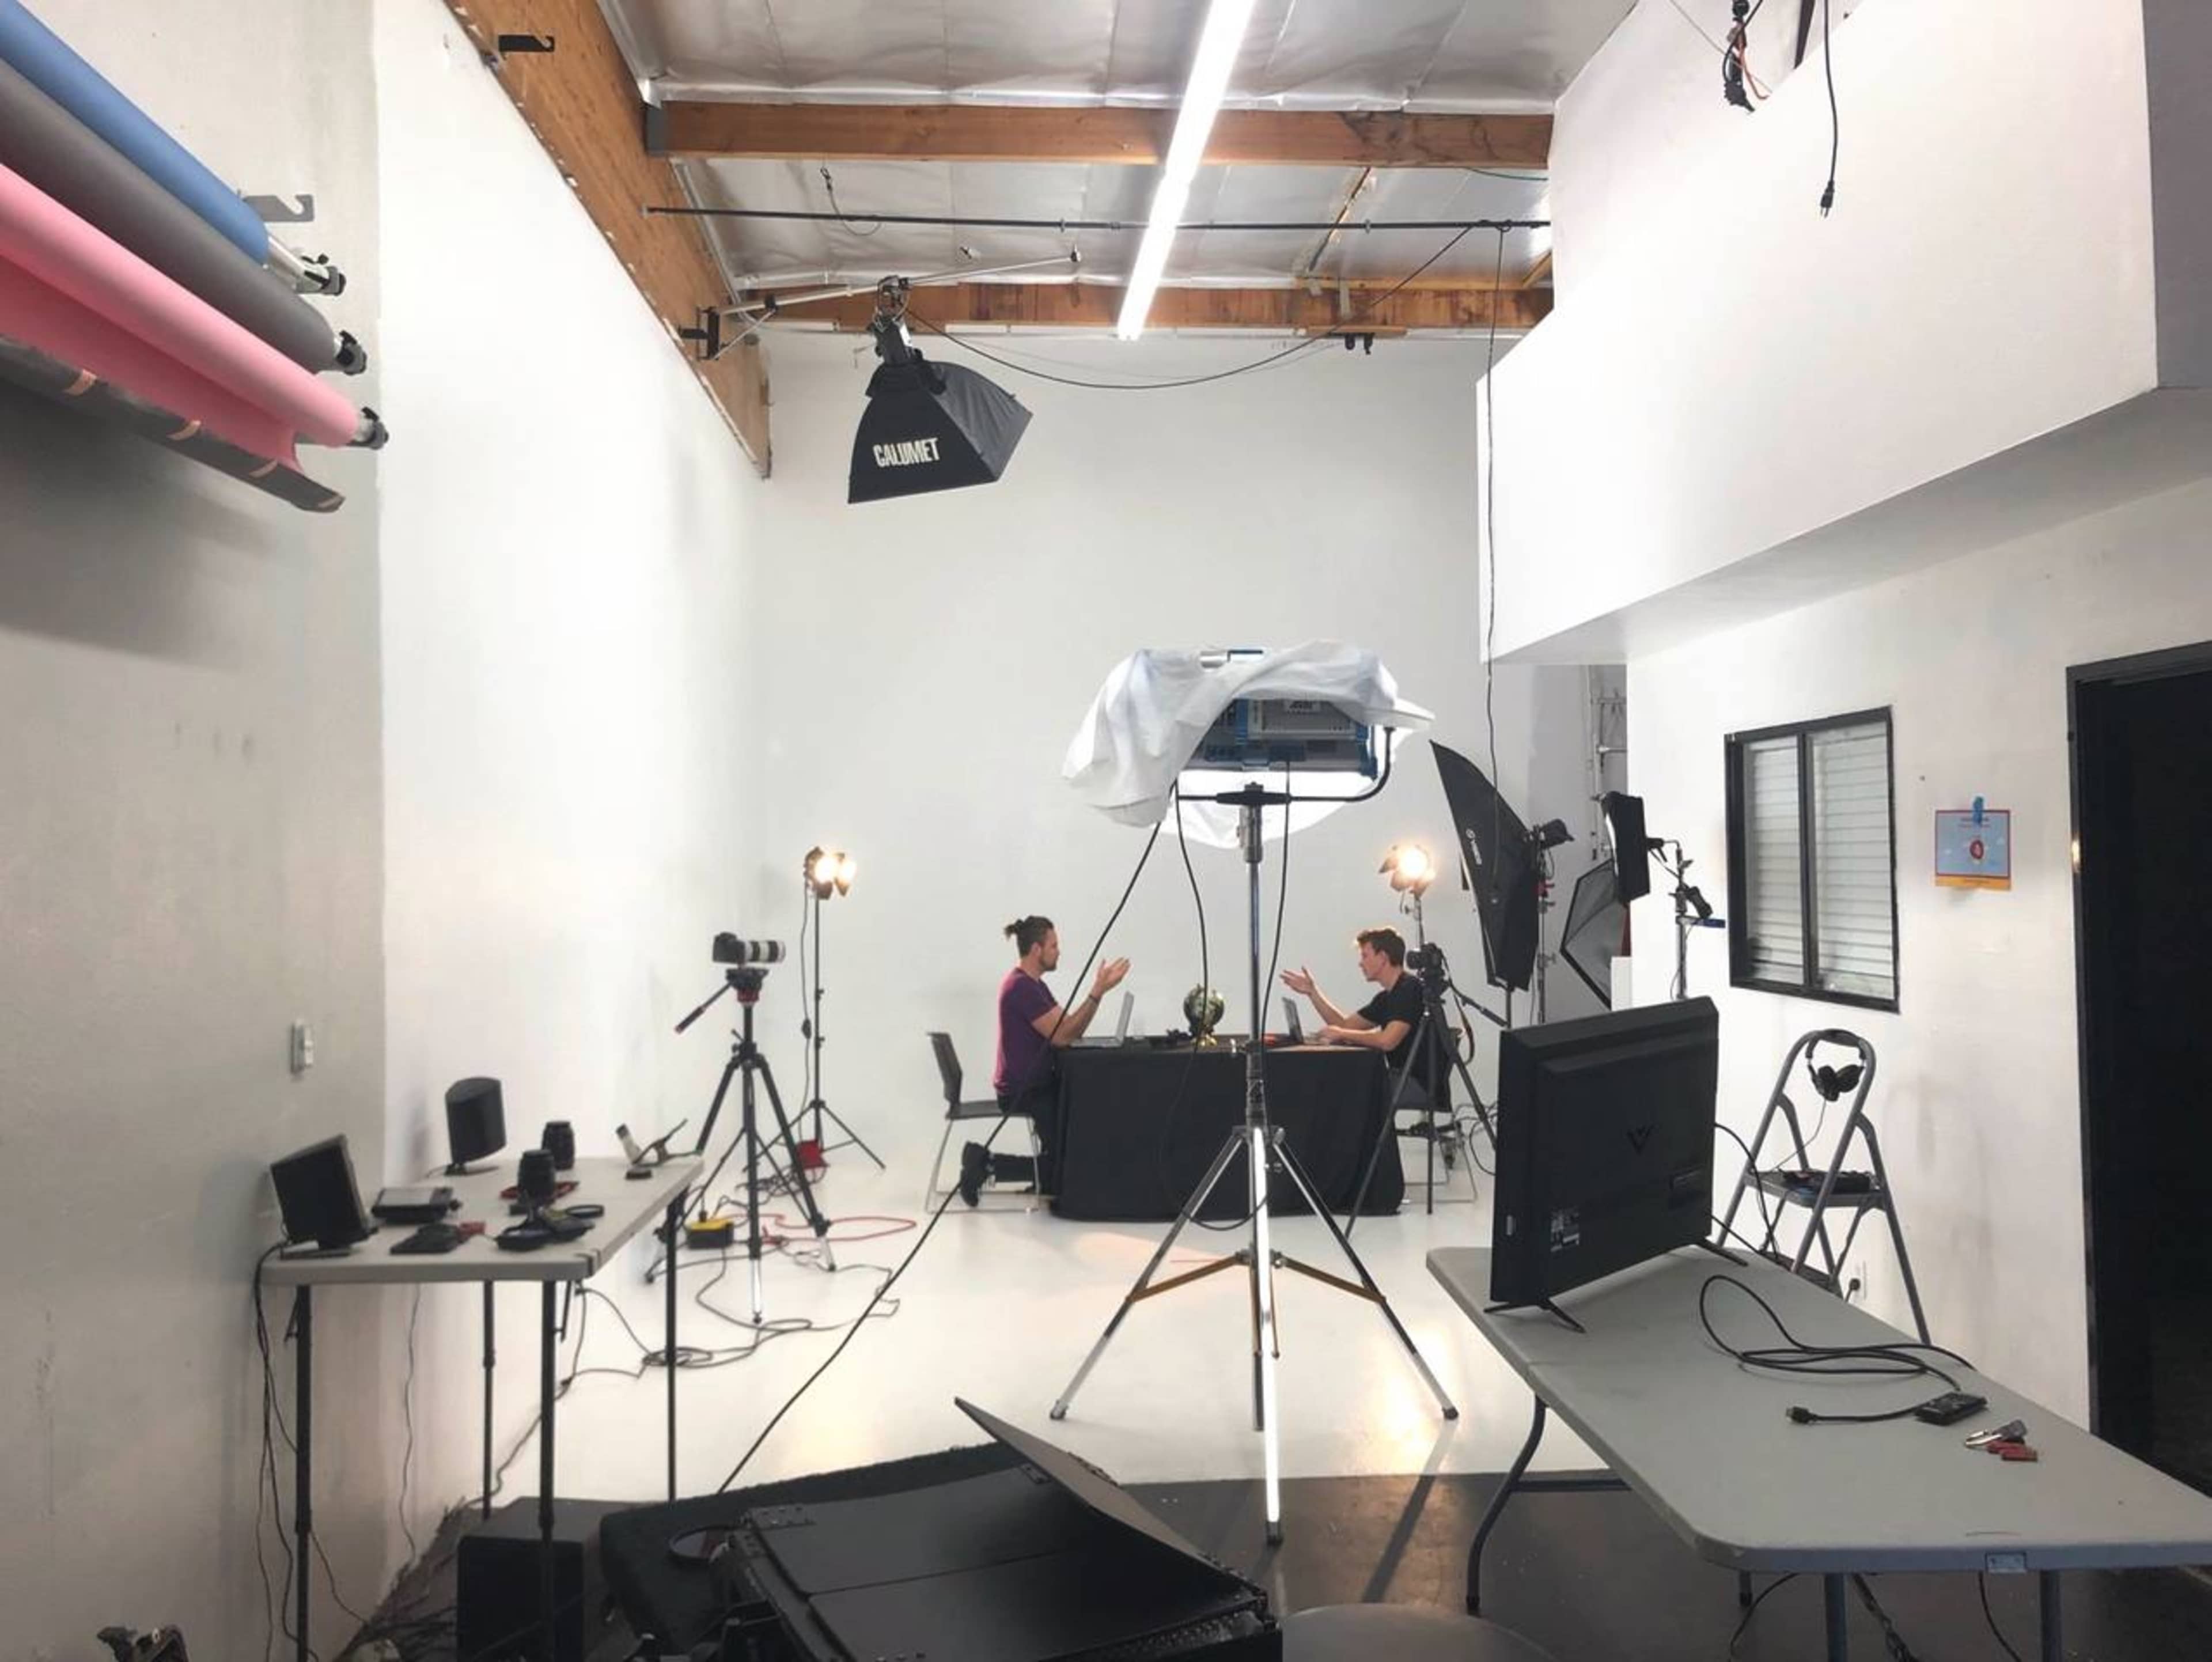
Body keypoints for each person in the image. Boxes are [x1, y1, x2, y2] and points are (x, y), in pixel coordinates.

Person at [960, 915, 1131, 1206]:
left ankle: (991, 1162)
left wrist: (1096, 995)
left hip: (1037, 1085)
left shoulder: (1034, 986)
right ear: (1037, 950)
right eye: (1054, 945)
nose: (1059, 951)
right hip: (1024, 1091)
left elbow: (1068, 1028)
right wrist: (1097, 992)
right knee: (1072, 1166)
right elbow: (1064, 1036)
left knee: (1072, 1157)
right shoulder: (1022, 989)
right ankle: (984, 1162)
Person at [1279, 926, 1435, 1096]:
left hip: (1417, 1082)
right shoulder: (1386, 998)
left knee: (1339, 1083)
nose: (1360, 963)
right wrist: (1312, 992)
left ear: (1383, 957)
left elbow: (1387, 1041)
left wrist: (1342, 1034)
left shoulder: (1409, 989)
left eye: (1365, 956)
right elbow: (1344, 1025)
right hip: (1399, 1077)